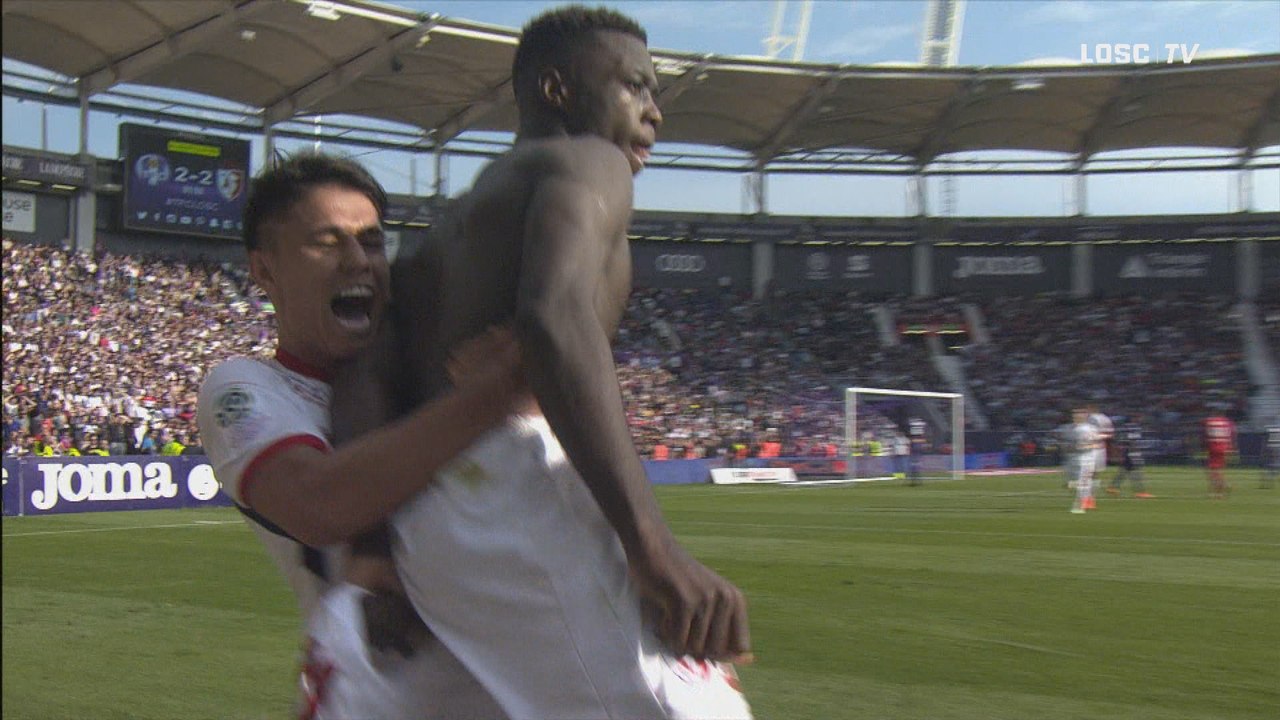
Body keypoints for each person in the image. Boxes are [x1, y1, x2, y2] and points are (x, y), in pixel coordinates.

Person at [338, 7, 753, 719]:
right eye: (634, 87)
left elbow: (366, 375)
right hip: (513, 492)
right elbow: (554, 315)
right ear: (556, 89)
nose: (654, 114)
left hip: (431, 524)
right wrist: (651, 546)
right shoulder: (589, 160)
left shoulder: (441, 233)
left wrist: (376, 558)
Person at [197, 153, 525, 719]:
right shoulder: (243, 388)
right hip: (381, 687)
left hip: (511, 685)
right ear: (264, 270)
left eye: (372, 242)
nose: (358, 262)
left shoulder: (432, 367)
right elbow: (320, 502)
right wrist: (494, 394)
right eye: (327, 243)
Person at [1062, 407, 1099, 513]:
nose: (1077, 415)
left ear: (1085, 415)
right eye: (1075, 413)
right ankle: (1085, 500)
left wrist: (1084, 447)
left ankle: (1080, 506)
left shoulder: (1090, 428)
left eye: (1080, 413)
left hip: (1086, 457)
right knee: (1074, 482)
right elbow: (1067, 443)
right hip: (1073, 458)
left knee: (1083, 482)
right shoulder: (1069, 428)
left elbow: (1095, 443)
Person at [1106, 415, 1153, 498]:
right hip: (1130, 452)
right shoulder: (1134, 428)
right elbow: (1133, 441)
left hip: (1126, 451)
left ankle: (1112, 487)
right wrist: (1135, 452)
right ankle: (1140, 491)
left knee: (1124, 471)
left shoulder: (1124, 427)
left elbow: (1119, 440)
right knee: (1135, 472)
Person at [1202, 414, 1236, 498]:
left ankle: (1222, 486)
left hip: (1213, 447)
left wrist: (1204, 447)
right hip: (1224, 448)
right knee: (1218, 470)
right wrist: (1231, 447)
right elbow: (1232, 434)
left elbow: (1205, 435)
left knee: (1212, 470)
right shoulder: (1227, 422)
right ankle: (1219, 493)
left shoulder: (1209, 421)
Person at [1085, 404, 1114, 491]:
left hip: (1091, 446)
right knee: (1094, 472)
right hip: (1101, 447)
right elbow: (1110, 434)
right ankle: (1091, 491)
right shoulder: (1106, 418)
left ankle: (1087, 491)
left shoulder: (1091, 418)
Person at [1262, 424, 1279, 490]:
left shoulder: (1270, 428)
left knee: (1272, 462)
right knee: (1274, 462)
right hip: (1276, 446)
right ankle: (1271, 475)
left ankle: (1270, 475)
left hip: (1272, 446)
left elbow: (1265, 439)